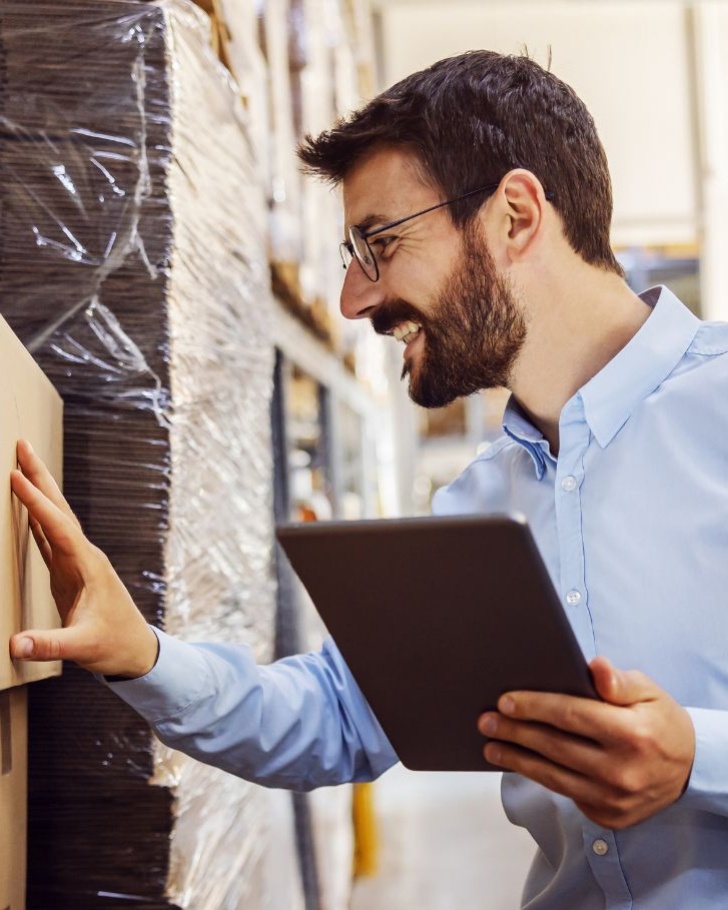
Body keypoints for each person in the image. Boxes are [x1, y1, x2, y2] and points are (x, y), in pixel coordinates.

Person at [8, 50, 728, 908]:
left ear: (514, 216)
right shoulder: (476, 506)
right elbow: (339, 718)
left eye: (378, 244)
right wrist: (142, 655)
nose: (353, 298)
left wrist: (698, 758)